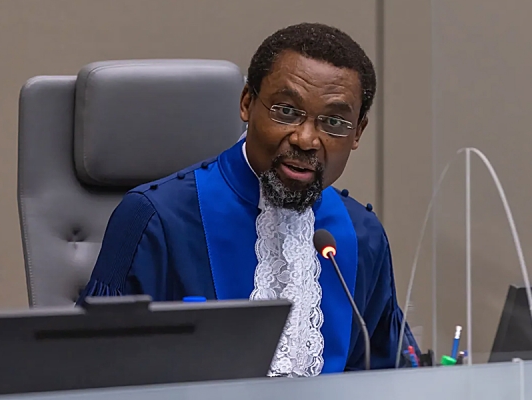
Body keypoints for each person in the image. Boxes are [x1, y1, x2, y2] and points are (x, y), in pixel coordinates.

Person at [77, 22, 418, 376]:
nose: (305, 140)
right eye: (286, 111)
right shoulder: (155, 219)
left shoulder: (363, 237)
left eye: (333, 122)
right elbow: (91, 373)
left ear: (357, 132)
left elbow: (390, 376)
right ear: (246, 103)